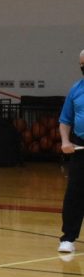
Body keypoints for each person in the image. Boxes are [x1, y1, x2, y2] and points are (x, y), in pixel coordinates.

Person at [58, 49, 84, 253]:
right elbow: (65, 120)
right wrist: (65, 140)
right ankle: (68, 238)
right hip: (80, 146)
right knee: (75, 193)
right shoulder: (76, 89)